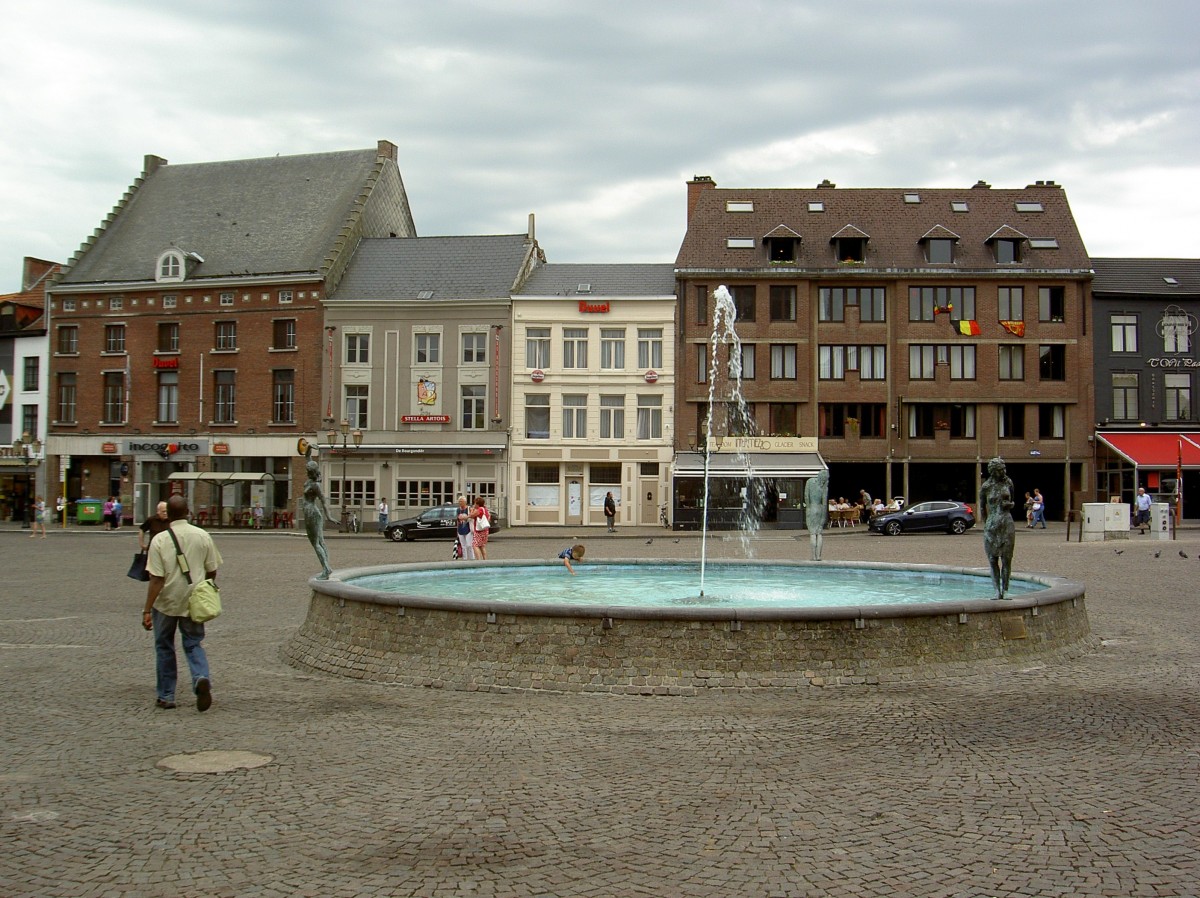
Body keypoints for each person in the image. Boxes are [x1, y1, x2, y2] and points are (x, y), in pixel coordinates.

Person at [142, 495, 222, 711]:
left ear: (169, 514)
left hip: (166, 601)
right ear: (188, 512)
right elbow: (212, 569)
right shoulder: (202, 536)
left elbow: (156, 579)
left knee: (164, 645)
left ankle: (166, 695)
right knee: (193, 643)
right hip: (193, 599)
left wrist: (147, 609)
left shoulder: (159, 540)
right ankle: (200, 677)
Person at [981, 457, 1016, 601]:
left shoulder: (1008, 482)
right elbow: (982, 506)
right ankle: (996, 591)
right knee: (992, 559)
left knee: (1007, 559)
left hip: (1006, 523)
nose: (1004, 471)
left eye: (1004, 469)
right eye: (1001, 469)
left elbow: (1013, 501)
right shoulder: (986, 486)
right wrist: (986, 524)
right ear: (994, 471)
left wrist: (1009, 505)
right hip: (991, 525)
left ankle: (1006, 590)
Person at [301, 447, 332, 579]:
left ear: (311, 472)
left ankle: (325, 569)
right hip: (311, 512)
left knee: (316, 543)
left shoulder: (315, 485)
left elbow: (324, 501)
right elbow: (307, 457)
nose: (306, 470)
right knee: (320, 541)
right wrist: (310, 447)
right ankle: (327, 567)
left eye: (308, 470)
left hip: (311, 512)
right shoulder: (312, 480)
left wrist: (328, 516)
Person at [804, 470, 830, 561]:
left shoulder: (809, 481)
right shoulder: (824, 487)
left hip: (811, 508)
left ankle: (813, 556)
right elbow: (824, 503)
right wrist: (823, 517)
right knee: (819, 533)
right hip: (820, 508)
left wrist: (808, 507)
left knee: (812, 533)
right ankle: (818, 556)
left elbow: (806, 496)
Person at [469, 496, 491, 561]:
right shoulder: (485, 509)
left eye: (475, 503)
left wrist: (472, 510)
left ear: (477, 504)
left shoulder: (480, 509)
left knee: (475, 545)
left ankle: (479, 560)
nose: (474, 504)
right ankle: (485, 560)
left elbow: (471, 515)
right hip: (485, 530)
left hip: (479, 530)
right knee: (482, 546)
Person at [455, 495, 475, 560]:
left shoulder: (469, 508)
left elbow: (472, 516)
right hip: (461, 529)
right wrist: (457, 530)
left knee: (469, 545)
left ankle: (472, 559)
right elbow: (457, 520)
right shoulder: (458, 510)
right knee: (463, 546)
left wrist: (465, 517)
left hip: (468, 529)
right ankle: (465, 559)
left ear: (465, 502)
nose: (460, 503)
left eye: (461, 501)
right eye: (459, 501)